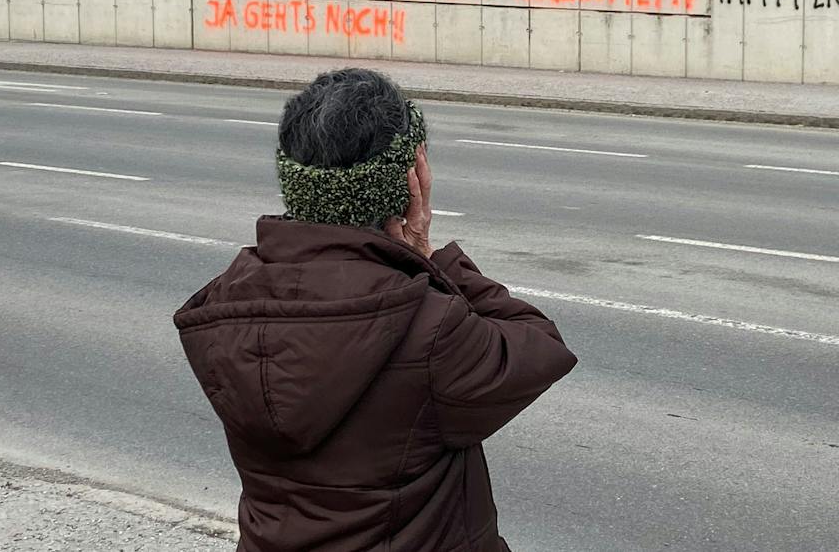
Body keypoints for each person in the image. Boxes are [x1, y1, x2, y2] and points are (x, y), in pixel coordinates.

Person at [175, 68, 577, 551]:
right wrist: (430, 258)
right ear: (412, 182)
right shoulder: (431, 327)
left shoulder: (228, 304)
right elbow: (538, 346)